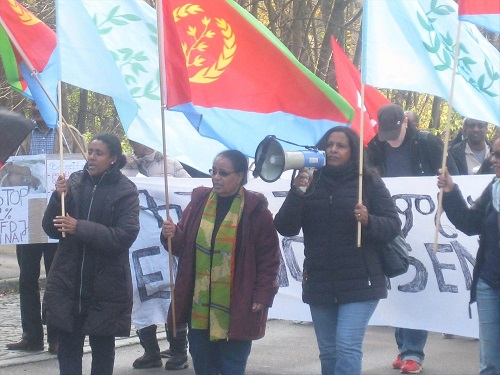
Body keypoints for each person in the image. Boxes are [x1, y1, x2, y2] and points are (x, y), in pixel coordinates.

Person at [274, 127, 401, 375]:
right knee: (329, 351)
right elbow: (285, 227)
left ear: (352, 152)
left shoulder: (369, 181)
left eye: (341, 146)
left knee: (347, 346)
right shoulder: (310, 178)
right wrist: (297, 192)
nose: (333, 149)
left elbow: (393, 225)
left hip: (360, 281)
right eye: (329, 144)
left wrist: (369, 221)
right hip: (321, 281)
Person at [160, 149, 280, 375]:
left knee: (231, 367)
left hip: (238, 306)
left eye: (223, 173)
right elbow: (181, 248)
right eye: (213, 171)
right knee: (204, 366)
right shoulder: (199, 202)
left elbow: (270, 259)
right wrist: (173, 233)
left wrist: (263, 295)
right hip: (199, 307)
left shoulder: (256, 211)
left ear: (240, 176)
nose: (216, 177)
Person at [366, 103, 457, 373]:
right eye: (386, 134)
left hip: (425, 223)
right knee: (400, 282)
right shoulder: (376, 145)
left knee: (419, 284)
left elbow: (452, 176)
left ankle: (413, 352)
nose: (391, 139)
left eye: (395, 132)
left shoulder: (427, 143)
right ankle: (403, 346)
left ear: (406, 122)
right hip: (393, 223)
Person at [41, 133, 140, 374]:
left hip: (106, 284)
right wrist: (57, 198)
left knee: (102, 349)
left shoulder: (126, 191)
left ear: (114, 158)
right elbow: (50, 228)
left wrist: (80, 227)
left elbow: (123, 236)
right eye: (90, 151)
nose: (92, 157)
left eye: (99, 153)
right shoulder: (74, 182)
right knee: (68, 348)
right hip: (69, 280)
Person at [6, 103, 86, 355]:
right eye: (32, 104)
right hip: (26, 220)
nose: (35, 108)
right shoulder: (22, 136)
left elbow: (83, 172)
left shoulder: (69, 135)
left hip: (57, 219)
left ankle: (57, 336)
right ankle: (31, 335)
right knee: (26, 278)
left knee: (57, 279)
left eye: (40, 103)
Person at [125, 140, 190, 371]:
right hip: (138, 244)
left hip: (167, 239)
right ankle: (150, 352)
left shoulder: (171, 164)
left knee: (172, 294)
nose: (135, 142)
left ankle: (178, 351)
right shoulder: (125, 166)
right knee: (140, 293)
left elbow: (188, 193)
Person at [437, 139, 500, 375]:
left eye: (499, 155)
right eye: (493, 154)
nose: (493, 160)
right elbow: (470, 223)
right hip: (488, 283)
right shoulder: (495, 188)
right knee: (490, 363)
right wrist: (452, 191)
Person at [122, 140, 191, 178]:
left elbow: (189, 189)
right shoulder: (124, 168)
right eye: (142, 140)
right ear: (132, 144)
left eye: (150, 138)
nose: (147, 144)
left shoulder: (171, 164)